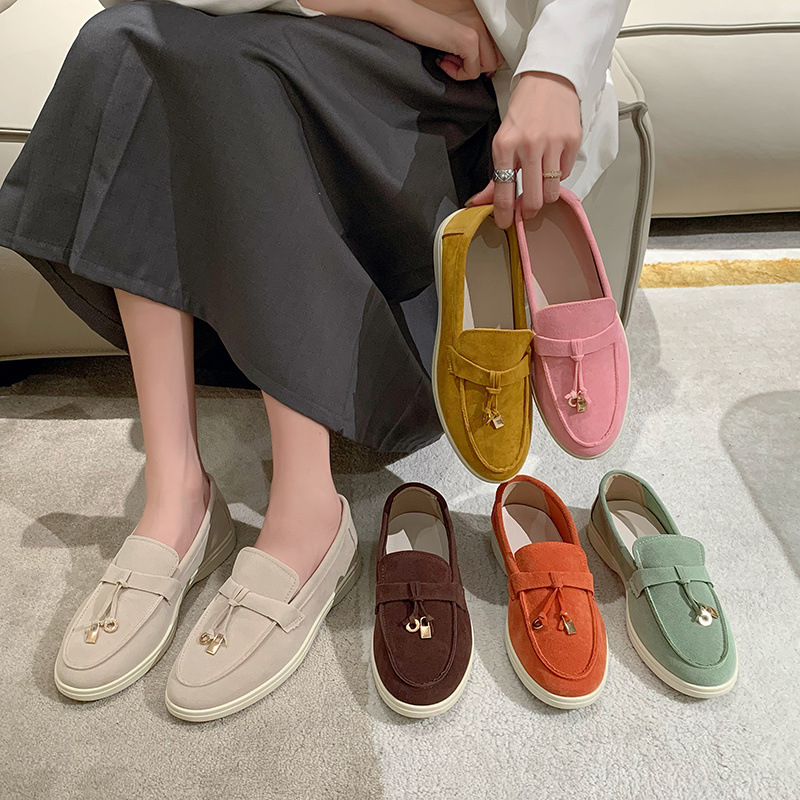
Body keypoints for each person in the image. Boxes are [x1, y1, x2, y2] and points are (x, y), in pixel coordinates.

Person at [0, 0, 630, 711]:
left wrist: (554, 71)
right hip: (347, 20)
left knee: (247, 72)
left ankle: (306, 512)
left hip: (446, 79)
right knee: (120, 41)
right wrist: (393, 10)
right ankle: (175, 495)